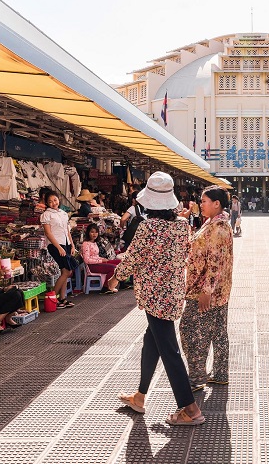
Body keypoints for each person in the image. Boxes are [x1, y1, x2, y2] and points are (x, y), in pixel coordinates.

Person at [107, 171, 204, 426]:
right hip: (172, 293)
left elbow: (132, 257)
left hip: (153, 295)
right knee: (151, 343)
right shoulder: (183, 226)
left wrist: (116, 278)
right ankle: (139, 396)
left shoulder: (147, 227)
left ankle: (190, 408)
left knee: (169, 350)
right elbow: (185, 253)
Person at [180, 185, 234, 391]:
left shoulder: (218, 228)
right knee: (218, 332)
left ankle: (196, 378)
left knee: (191, 331)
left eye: (204, 201)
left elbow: (215, 262)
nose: (200, 204)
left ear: (216, 204)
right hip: (219, 290)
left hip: (205, 290)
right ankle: (220, 373)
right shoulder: (213, 223)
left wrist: (206, 290)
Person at [41, 191, 78, 309]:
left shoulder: (63, 213)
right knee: (67, 271)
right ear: (47, 203)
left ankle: (62, 298)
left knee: (65, 272)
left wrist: (72, 245)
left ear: (59, 200)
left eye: (55, 200)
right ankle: (53, 298)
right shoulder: (46, 215)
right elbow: (48, 233)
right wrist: (59, 247)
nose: (53, 203)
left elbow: (67, 231)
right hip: (55, 245)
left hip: (65, 243)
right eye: (50, 201)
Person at [81, 223, 122, 294]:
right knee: (113, 267)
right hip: (92, 266)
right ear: (88, 233)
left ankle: (120, 284)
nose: (94, 234)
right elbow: (87, 260)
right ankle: (106, 287)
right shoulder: (86, 244)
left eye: (96, 232)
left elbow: (95, 256)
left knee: (120, 262)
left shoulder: (94, 243)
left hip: (99, 262)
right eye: (92, 232)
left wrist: (103, 259)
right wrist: (101, 260)